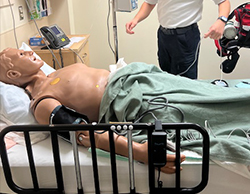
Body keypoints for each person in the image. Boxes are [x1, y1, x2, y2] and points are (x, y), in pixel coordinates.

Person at [1, 48, 250, 169]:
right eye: (20, 53)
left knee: (214, 93)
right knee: (215, 114)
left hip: (139, 79)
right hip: (134, 102)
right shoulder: (42, 104)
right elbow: (85, 134)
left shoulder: (56, 72)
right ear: (13, 73)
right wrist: (140, 151)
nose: (29, 51)